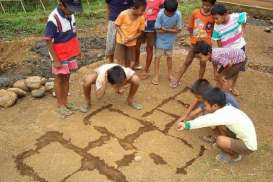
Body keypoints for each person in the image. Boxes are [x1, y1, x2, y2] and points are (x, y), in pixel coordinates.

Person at [177, 87, 257, 163]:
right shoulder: (226, 108)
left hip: (248, 146)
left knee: (220, 141)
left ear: (215, 105)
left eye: (206, 105)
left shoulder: (221, 115)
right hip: (240, 135)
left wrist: (186, 125)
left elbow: (204, 121)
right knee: (218, 126)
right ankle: (231, 144)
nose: (205, 107)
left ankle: (235, 156)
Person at [44, 0, 82, 117]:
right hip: (59, 54)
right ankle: (60, 105)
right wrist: (55, 60)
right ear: (61, 5)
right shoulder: (53, 19)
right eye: (70, 9)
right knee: (59, 79)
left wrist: (77, 50)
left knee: (67, 77)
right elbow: (48, 40)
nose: (72, 11)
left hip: (70, 51)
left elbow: (73, 33)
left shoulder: (70, 14)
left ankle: (66, 102)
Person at [170, 0, 216, 88]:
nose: (205, 7)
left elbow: (213, 30)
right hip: (195, 44)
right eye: (204, 4)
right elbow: (190, 27)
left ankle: (199, 83)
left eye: (208, 5)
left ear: (212, 5)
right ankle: (177, 79)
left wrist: (208, 40)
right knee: (187, 61)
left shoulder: (213, 16)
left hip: (206, 46)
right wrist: (192, 39)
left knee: (203, 63)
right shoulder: (195, 13)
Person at [211, 4, 247, 95]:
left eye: (216, 18)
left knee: (236, 70)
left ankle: (232, 87)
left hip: (240, 48)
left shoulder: (235, 17)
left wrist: (243, 30)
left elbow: (244, 15)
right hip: (227, 52)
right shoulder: (216, 26)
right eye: (214, 19)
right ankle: (218, 90)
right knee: (222, 72)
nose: (215, 21)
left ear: (225, 14)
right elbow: (218, 40)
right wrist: (222, 51)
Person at [152, 0, 182, 85]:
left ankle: (169, 74)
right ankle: (156, 75)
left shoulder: (178, 14)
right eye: (168, 12)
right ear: (164, 8)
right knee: (157, 57)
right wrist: (172, 29)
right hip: (160, 39)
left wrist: (165, 29)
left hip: (170, 40)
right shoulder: (160, 14)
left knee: (169, 57)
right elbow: (157, 29)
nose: (169, 14)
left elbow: (178, 29)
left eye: (171, 13)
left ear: (175, 10)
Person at [135, 0, 165, 78]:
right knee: (136, 45)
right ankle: (136, 63)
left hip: (152, 25)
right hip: (140, 22)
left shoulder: (161, 1)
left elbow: (162, 13)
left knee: (149, 48)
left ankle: (146, 70)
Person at [114, 0, 146, 68]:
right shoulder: (123, 14)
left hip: (132, 43)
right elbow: (117, 25)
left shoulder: (142, 18)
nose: (143, 12)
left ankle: (127, 73)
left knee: (131, 61)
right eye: (142, 10)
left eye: (144, 10)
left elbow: (140, 32)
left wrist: (131, 38)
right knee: (118, 59)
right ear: (134, 8)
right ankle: (119, 73)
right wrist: (122, 36)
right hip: (121, 41)